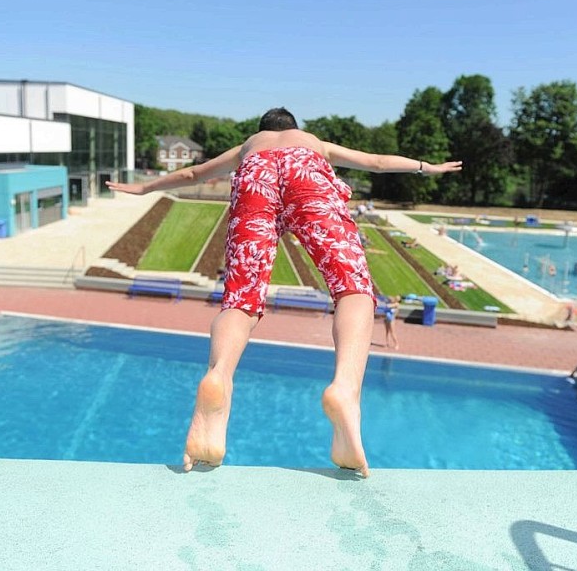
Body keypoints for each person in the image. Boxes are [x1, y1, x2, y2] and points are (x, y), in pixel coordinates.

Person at [106, 107, 462, 477]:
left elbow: (193, 173)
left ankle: (220, 375)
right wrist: (426, 166)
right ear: (294, 128)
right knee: (352, 287)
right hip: (308, 176)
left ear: (263, 130)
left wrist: (144, 187)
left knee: (241, 298)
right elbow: (376, 161)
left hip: (254, 180)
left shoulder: (249, 147)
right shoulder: (314, 143)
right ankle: (345, 390)